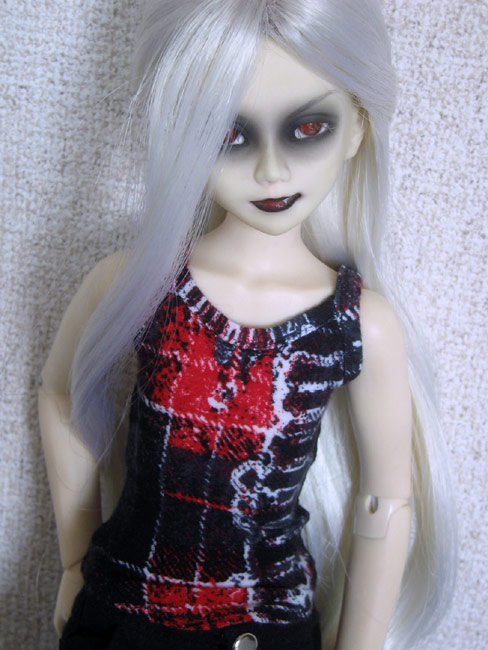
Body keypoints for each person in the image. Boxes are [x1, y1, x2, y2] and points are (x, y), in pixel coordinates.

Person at [38, 1, 456, 649]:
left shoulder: (356, 323)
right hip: (123, 610)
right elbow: (64, 394)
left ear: (356, 128)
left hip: (265, 623)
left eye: (308, 128)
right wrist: (73, 561)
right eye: (229, 135)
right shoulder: (140, 286)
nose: (270, 169)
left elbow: (384, 499)